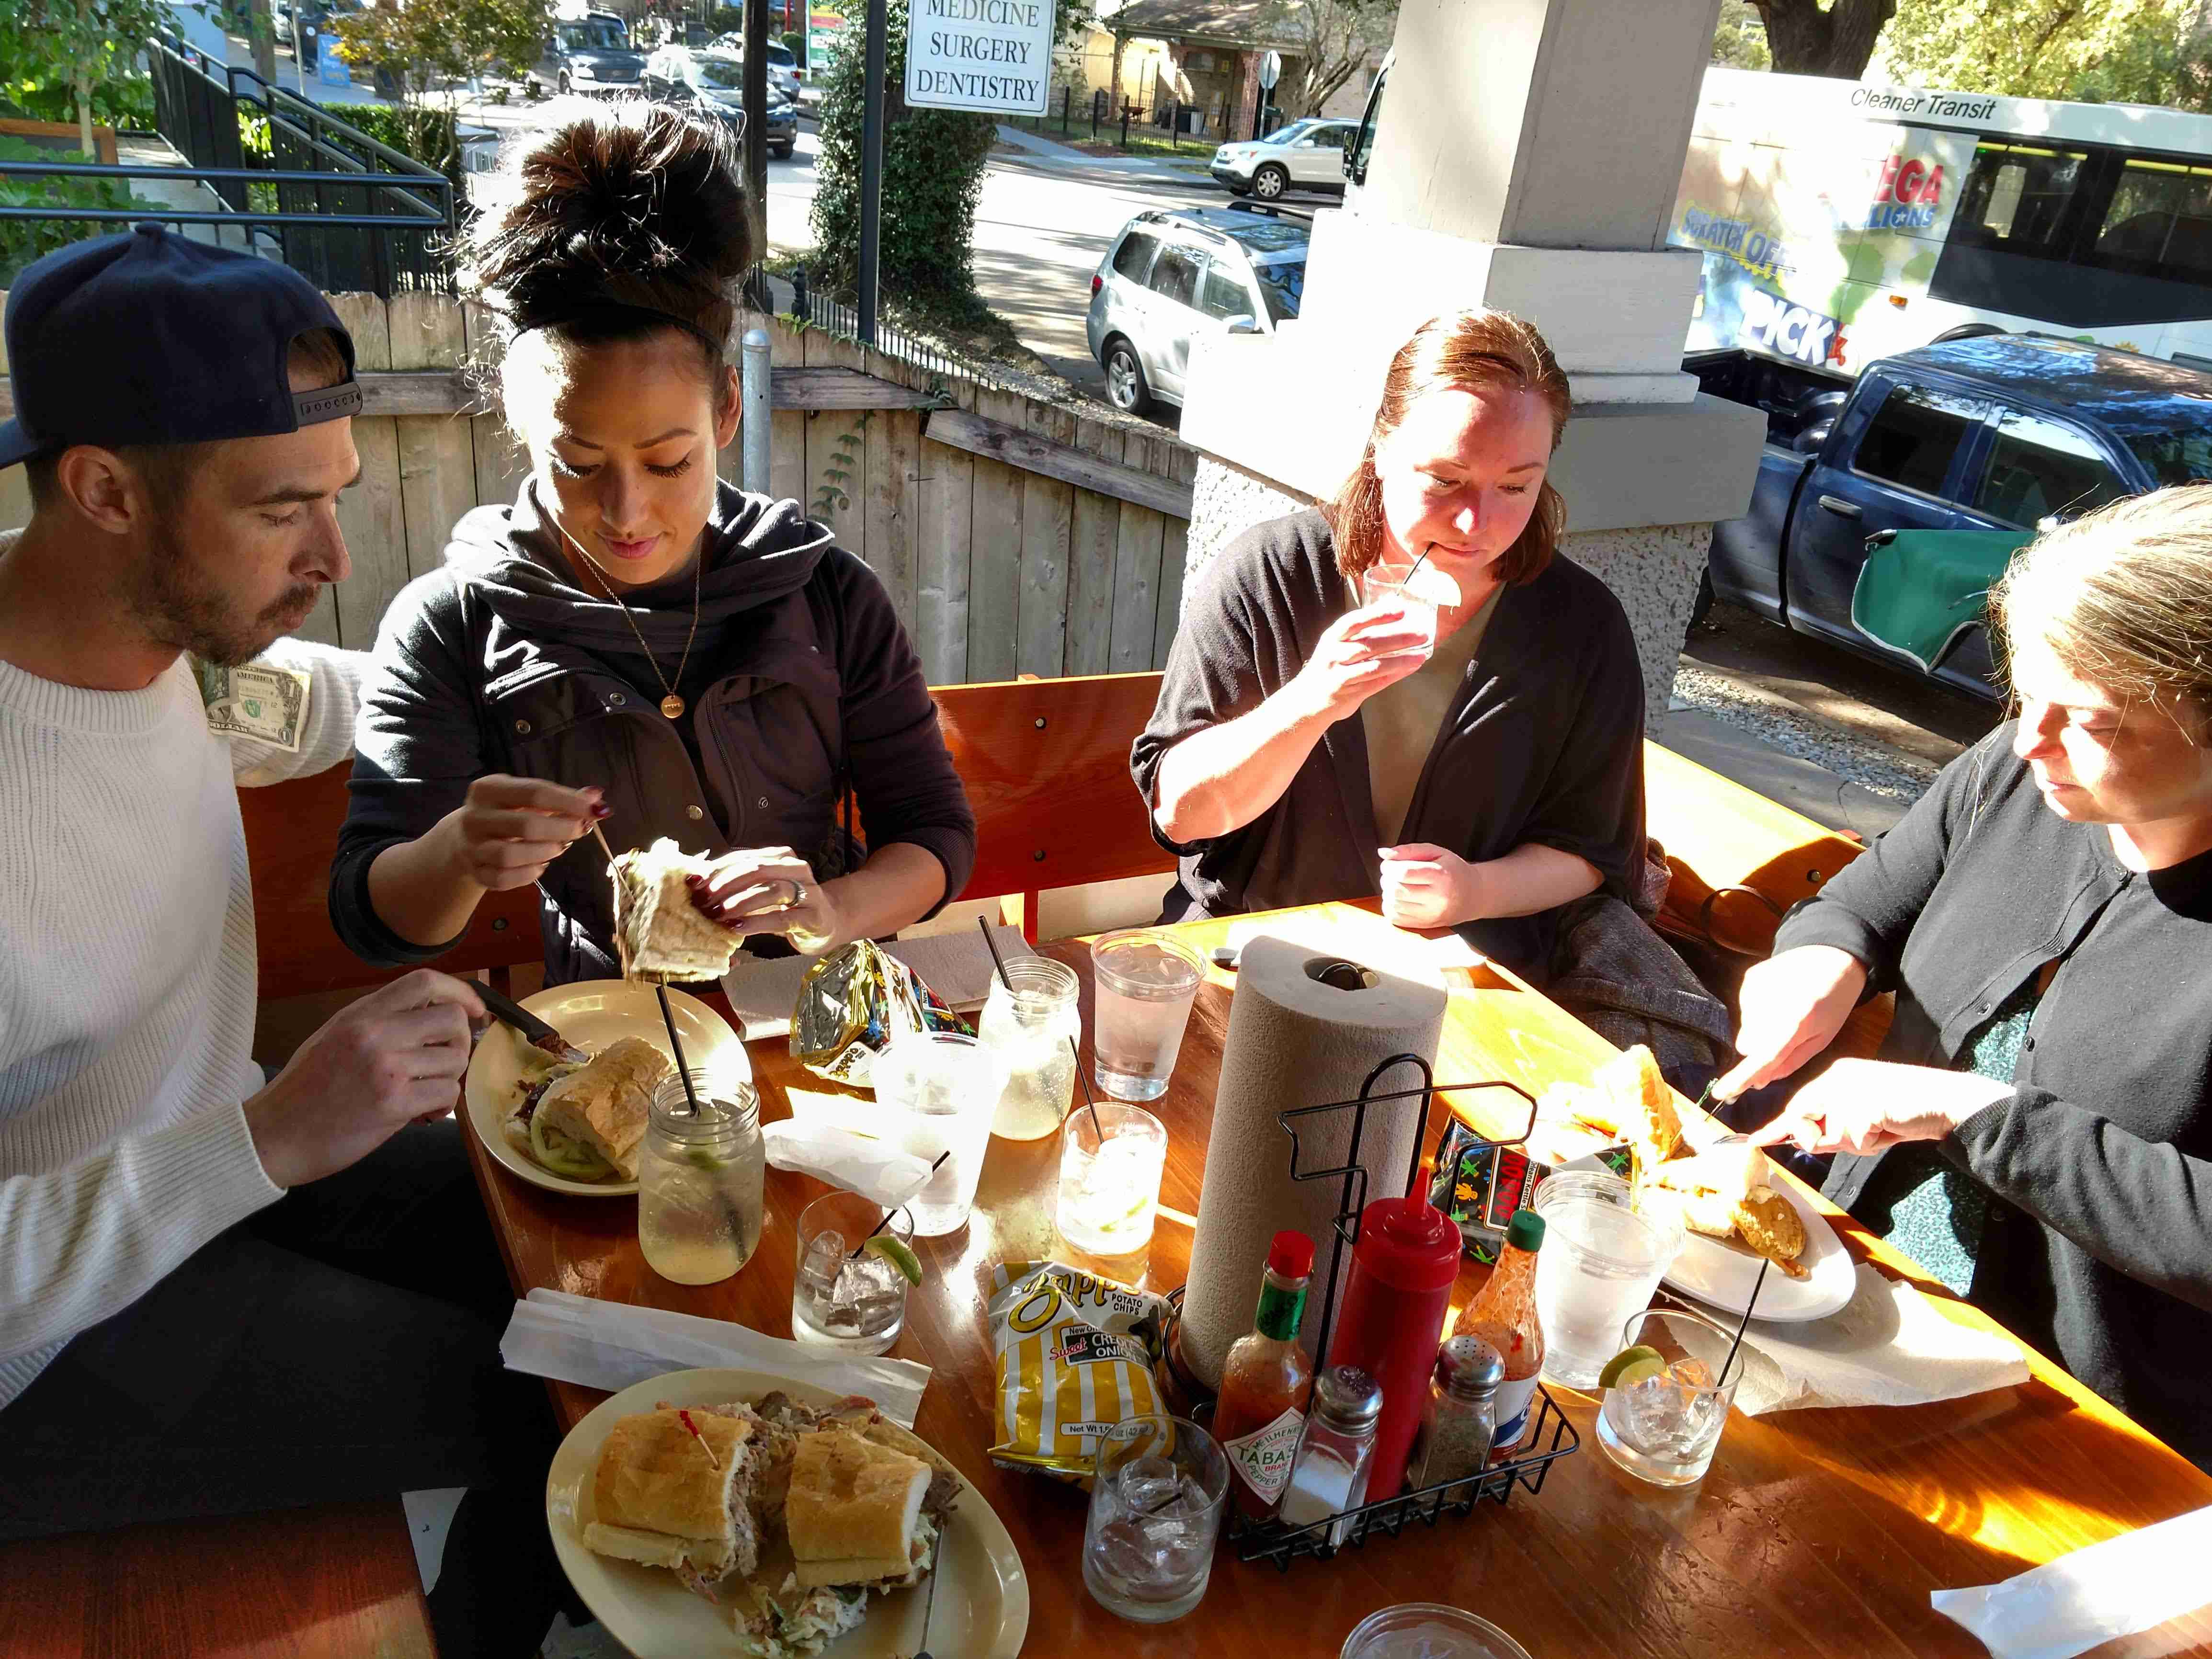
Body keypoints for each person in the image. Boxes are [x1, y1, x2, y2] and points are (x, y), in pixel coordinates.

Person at [0, 227, 567, 1652]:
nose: (333, 555)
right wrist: (264, 1141)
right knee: (542, 1396)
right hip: (52, 1349)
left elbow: (317, 698)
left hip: (220, 1176)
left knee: (569, 1222)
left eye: (339, 498)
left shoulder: (158, 650)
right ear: (104, 491)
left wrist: (520, 702)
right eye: (279, 512)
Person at [331, 102, 974, 985]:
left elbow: (932, 834)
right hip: (612, 1028)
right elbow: (376, 919)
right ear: (522, 432)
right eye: (578, 463)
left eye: (670, 463)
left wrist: (831, 909)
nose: (627, 514)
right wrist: (455, 853)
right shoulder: (451, 624)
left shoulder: (827, 593)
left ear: (726, 413)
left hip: (816, 1015)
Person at [1719, 485, 2212, 1469]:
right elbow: (1858, 903)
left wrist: (1971, 1113)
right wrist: (1819, 964)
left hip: (2087, 1423)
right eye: (2022, 695)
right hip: (1860, 1288)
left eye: (2090, 719)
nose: (2028, 740)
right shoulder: (2018, 767)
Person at [1132, 307, 1724, 1069]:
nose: (1477, 521)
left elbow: (1591, 849)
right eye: (1444, 480)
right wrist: (1311, 699)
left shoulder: (1579, 625)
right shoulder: (1273, 575)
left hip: (1466, 991)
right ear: (1381, 447)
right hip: (1251, 963)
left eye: (1517, 486)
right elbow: (1182, 814)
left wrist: (1471, 891)